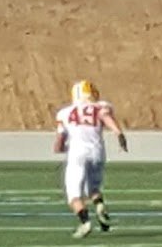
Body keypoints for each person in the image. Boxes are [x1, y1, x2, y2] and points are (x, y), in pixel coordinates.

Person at [54, 80, 128, 238]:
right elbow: (106, 117)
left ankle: (85, 222)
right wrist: (119, 134)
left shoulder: (65, 113)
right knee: (93, 189)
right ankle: (99, 206)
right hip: (97, 152)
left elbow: (59, 141)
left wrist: (60, 148)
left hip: (77, 153)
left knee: (74, 194)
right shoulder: (101, 107)